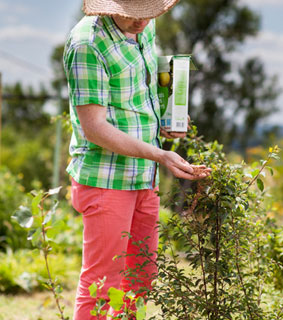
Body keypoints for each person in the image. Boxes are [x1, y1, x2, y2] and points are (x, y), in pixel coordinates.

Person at [63, 0, 211, 318]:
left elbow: (139, 92)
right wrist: (159, 153)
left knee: (141, 277)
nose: (143, 22)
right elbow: (95, 128)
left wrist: (166, 121)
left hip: (144, 174)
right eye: (134, 15)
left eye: (150, 13)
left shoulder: (143, 26)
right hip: (106, 178)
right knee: (102, 285)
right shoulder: (87, 43)